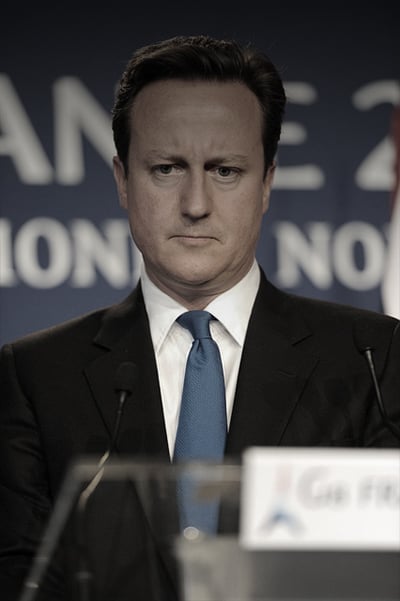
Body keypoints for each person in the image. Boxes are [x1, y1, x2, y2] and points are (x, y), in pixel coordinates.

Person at [0, 34, 399, 601]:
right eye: (166, 168)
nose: (194, 203)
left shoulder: (373, 361)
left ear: (266, 183)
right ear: (122, 181)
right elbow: (19, 579)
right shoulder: (34, 377)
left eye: (226, 171)